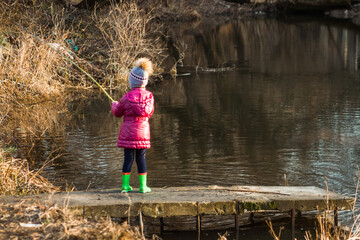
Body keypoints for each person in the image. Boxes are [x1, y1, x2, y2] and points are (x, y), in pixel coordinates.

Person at [111, 58, 154, 193]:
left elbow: (117, 113)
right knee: (141, 158)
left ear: (132, 81)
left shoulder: (126, 97)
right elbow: (150, 113)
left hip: (128, 134)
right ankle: (143, 186)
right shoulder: (150, 97)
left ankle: (125, 186)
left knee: (128, 158)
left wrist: (114, 104)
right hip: (142, 134)